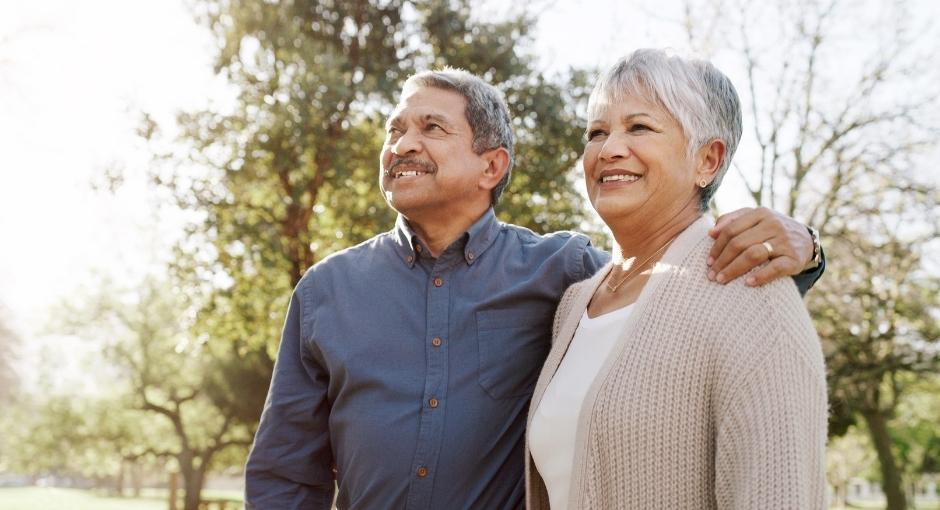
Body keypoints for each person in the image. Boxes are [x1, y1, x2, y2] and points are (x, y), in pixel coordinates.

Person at [244, 67, 825, 509]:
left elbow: (678, 292)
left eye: (431, 128)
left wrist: (804, 249)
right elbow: (286, 472)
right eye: (394, 130)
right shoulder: (325, 291)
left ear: (491, 167)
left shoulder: (566, 275)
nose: (402, 145)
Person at [525, 49, 827, 510]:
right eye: (597, 132)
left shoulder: (751, 292)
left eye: (639, 127)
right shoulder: (575, 302)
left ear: (707, 160)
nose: (609, 150)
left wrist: (811, 247)